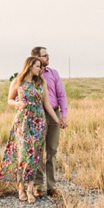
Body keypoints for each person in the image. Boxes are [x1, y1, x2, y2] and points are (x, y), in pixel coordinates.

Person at [0, 56, 62, 204]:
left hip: (39, 122)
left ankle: (30, 189)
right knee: (22, 154)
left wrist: (57, 120)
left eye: (40, 66)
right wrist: (17, 103)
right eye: (38, 66)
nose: (40, 69)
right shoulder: (17, 81)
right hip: (23, 121)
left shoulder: (41, 82)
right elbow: (10, 100)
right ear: (30, 66)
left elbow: (47, 105)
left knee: (35, 156)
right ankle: (20, 187)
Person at [31, 46, 68, 198]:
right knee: (38, 151)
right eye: (45, 56)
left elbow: (62, 95)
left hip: (55, 113)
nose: (48, 58)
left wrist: (63, 116)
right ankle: (38, 186)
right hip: (37, 115)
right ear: (37, 58)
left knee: (52, 150)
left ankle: (52, 186)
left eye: (48, 55)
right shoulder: (31, 76)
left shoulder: (53, 73)